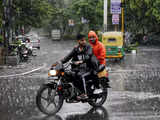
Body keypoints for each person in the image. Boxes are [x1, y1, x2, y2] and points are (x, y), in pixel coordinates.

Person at [59, 33, 99, 100]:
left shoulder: (88, 47)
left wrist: (81, 61)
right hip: (80, 68)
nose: (84, 41)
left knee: (80, 75)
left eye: (84, 40)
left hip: (89, 67)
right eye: (82, 40)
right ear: (78, 41)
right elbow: (68, 56)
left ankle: (83, 94)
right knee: (70, 74)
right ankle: (74, 91)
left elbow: (88, 56)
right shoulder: (76, 49)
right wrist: (60, 62)